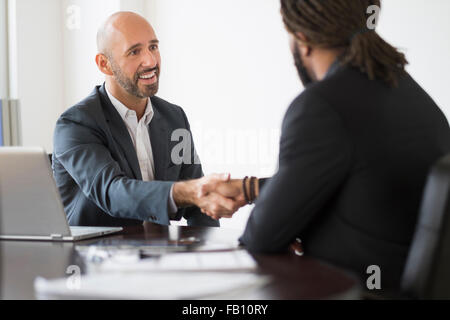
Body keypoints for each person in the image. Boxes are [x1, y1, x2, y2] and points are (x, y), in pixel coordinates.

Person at [203, 0, 450, 290]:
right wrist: (252, 188)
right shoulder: (413, 95)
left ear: (303, 39)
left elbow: (261, 238)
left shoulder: (321, 107)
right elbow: (359, 182)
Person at [52, 12, 241, 227]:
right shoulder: (76, 124)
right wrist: (188, 191)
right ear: (104, 64)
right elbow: (113, 193)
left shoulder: (174, 117)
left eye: (153, 47)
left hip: (158, 255)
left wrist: (212, 251)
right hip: (96, 256)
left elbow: (198, 204)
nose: (150, 61)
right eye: (134, 52)